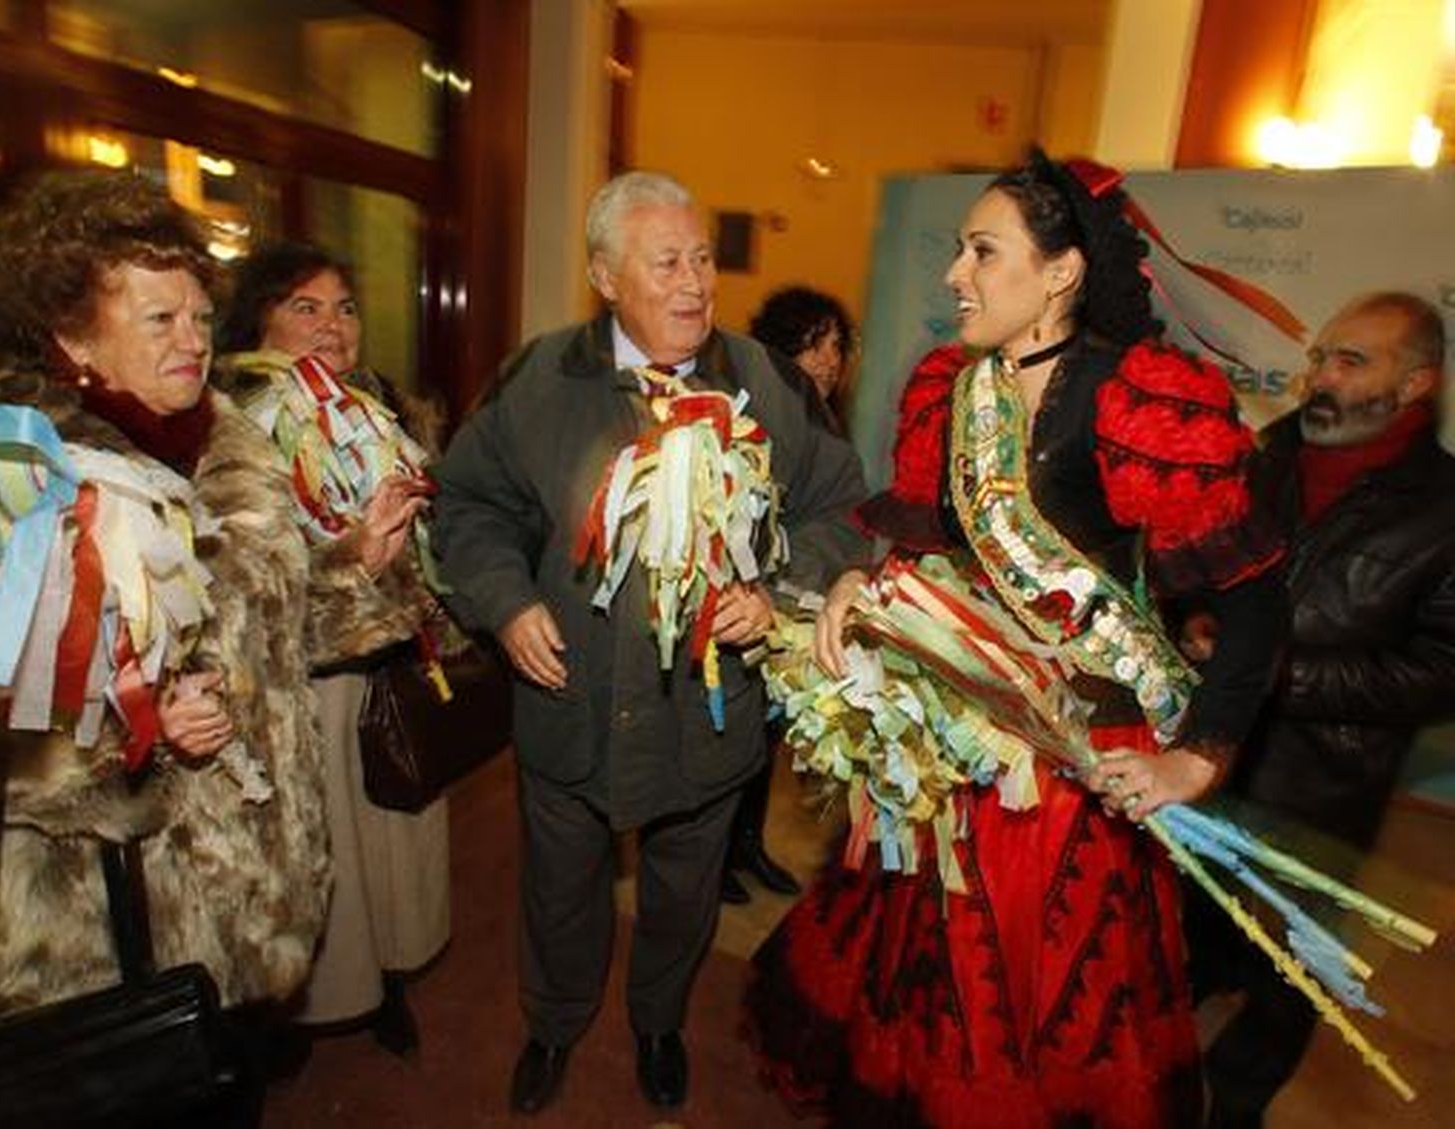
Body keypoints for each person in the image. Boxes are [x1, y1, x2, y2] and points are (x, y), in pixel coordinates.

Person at [744, 150, 1287, 1128]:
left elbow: (1255, 607)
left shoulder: (1133, 400)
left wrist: (1196, 758)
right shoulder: (952, 389)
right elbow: (941, 539)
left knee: (1040, 993)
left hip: (1084, 754)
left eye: (982, 251)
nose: (954, 274)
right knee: (931, 960)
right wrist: (862, 585)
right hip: (966, 727)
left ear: (1060, 271)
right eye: (958, 250)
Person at [0, 172, 341, 1121]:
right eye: (159, 318)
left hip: (249, 913)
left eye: (201, 314)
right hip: (90, 946)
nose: (194, 340)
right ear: (72, 333)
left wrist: (356, 564)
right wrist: (131, 734)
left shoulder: (233, 444)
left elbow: (279, 638)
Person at [431, 170, 868, 1116]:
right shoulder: (539, 379)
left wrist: (780, 588)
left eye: (703, 258)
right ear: (603, 275)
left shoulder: (764, 382)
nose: (694, 282)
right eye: (666, 261)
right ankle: (553, 1022)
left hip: (707, 718)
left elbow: (844, 508)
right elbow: (467, 506)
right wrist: (506, 604)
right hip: (568, 704)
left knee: (683, 893)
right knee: (559, 890)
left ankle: (660, 1022)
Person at [1187, 291, 1455, 1128]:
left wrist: (1276, 673)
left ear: (1416, 384)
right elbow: (1203, 564)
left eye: (1351, 360)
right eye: (1319, 357)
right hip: (1206, 763)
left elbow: (1441, 672)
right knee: (1180, 944)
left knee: (1283, 982)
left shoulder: (1447, 509)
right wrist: (1191, 611)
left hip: (1320, 796)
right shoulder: (1264, 455)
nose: (1320, 378)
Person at [216, 241, 453, 1056]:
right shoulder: (232, 424)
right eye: (304, 307)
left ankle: (390, 974)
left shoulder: (381, 406)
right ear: (259, 321)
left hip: (397, 652)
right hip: (303, 673)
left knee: (397, 820)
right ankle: (307, 1002)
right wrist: (347, 558)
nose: (331, 325)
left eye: (344, 307)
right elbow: (239, 578)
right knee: (326, 844)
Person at [712, 285, 858, 909]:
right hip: (741, 607)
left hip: (792, 607)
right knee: (727, 741)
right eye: (814, 344)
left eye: (836, 346)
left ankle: (747, 846)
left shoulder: (825, 420)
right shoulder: (750, 412)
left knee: (762, 741)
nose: (828, 361)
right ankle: (714, 859)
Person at [749, 284, 855, 420]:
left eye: (836, 346)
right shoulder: (745, 425)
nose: (832, 361)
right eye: (815, 345)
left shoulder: (828, 428)